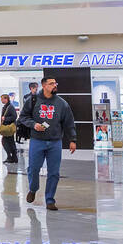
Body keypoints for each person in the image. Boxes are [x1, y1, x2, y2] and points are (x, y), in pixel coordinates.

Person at [17, 76, 77, 210]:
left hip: (55, 142)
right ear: (44, 86)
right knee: (33, 169)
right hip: (37, 141)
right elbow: (23, 117)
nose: (55, 85)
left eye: (55, 83)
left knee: (54, 172)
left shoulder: (62, 103)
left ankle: (50, 199)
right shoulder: (32, 100)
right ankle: (33, 189)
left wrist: (72, 139)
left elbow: (69, 122)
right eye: (51, 84)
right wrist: (34, 124)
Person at [0, 93, 18, 163]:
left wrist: (5, 118)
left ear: (6, 99)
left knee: (6, 142)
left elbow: (14, 116)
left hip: (9, 128)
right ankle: (13, 157)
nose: (1, 100)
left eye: (2, 99)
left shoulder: (10, 107)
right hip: (7, 128)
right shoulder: (6, 106)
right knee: (10, 142)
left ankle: (11, 157)